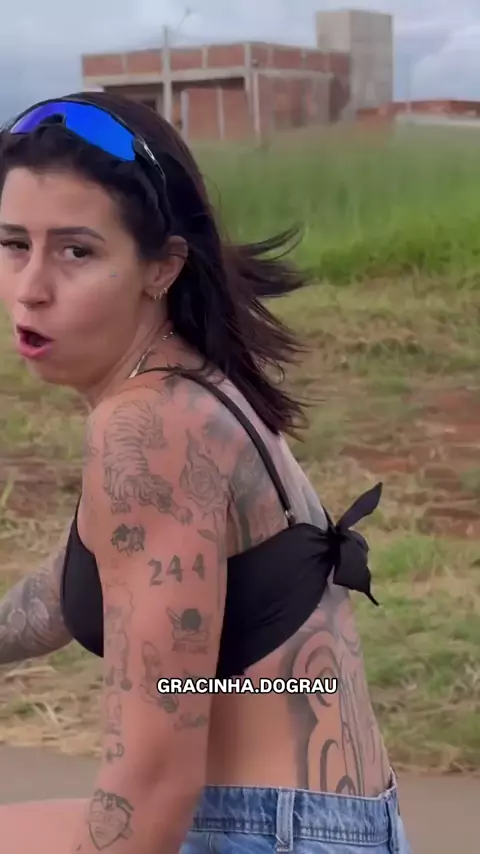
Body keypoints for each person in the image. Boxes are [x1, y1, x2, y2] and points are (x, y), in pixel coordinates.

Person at [0, 93, 411, 854]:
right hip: (312, 826)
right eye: (14, 243)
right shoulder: (186, 391)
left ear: (161, 267)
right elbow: (66, 591)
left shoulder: (154, 425)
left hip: (265, 834)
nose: (31, 287)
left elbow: (150, 794)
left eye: (76, 251)